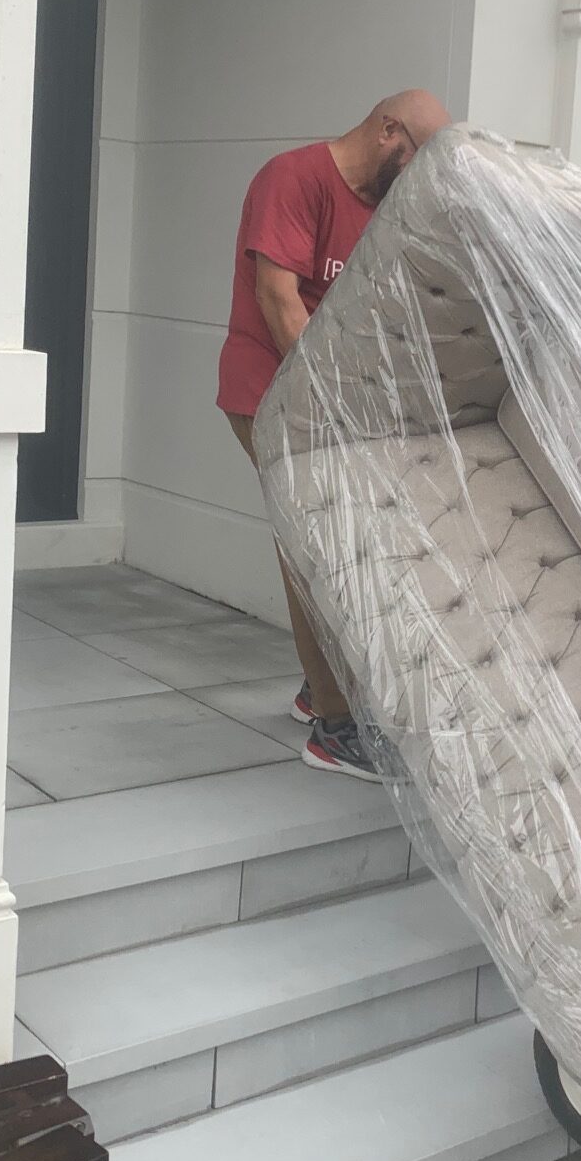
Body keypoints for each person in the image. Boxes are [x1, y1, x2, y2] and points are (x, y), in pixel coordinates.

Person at [218, 90, 451, 781]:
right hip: (270, 393)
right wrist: (333, 402)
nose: (417, 180)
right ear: (388, 131)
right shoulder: (294, 178)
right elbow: (278, 299)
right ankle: (335, 725)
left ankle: (316, 685)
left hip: (339, 405)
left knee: (346, 543)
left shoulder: (380, 207)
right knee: (314, 546)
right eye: (417, 161)